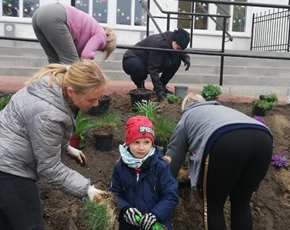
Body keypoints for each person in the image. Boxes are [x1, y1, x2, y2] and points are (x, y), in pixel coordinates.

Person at [0, 60, 107, 230]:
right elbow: (49, 168)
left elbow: (33, 131)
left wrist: (66, 147)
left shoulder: (51, 84)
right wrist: (87, 189)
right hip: (7, 174)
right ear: (71, 91)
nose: (96, 104)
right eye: (92, 99)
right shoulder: (48, 113)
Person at [166, 93, 273, 230]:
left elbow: (173, 158)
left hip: (225, 139)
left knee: (213, 207)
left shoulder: (186, 117)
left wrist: (164, 184)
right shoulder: (221, 110)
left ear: (184, 108)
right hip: (263, 138)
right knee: (241, 205)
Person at [109, 116, 179, 230]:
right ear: (128, 143)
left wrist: (155, 215)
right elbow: (114, 194)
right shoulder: (120, 167)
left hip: (156, 225)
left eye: (146, 142)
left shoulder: (160, 166)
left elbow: (171, 196)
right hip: (129, 226)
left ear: (152, 143)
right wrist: (124, 208)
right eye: (136, 142)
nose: (141, 147)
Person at [32, 3, 117, 64]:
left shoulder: (93, 29)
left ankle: (48, 88)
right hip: (57, 17)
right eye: (102, 50)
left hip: (39, 14)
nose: (98, 49)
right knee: (72, 64)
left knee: (55, 63)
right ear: (108, 43)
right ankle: (74, 89)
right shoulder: (102, 36)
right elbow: (86, 56)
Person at [122, 28, 191, 100]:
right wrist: (159, 90)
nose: (179, 51)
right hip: (132, 58)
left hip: (148, 60)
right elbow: (153, 68)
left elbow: (179, 50)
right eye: (178, 48)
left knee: (176, 61)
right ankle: (140, 87)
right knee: (138, 68)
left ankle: (162, 85)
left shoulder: (172, 40)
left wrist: (186, 57)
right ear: (174, 41)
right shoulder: (160, 44)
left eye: (181, 50)